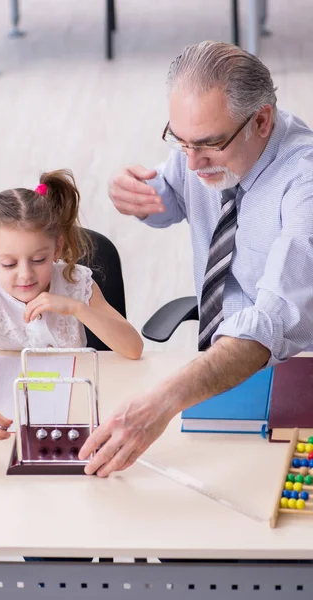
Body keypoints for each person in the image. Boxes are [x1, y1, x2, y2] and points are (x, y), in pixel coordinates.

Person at [79, 40, 313, 477]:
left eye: (207, 145)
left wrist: (163, 400)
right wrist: (134, 195)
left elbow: (272, 322)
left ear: (261, 120)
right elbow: (172, 194)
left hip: (293, 371)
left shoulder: (305, 185)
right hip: (221, 372)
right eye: (178, 140)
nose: (190, 161)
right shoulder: (206, 143)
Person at [0, 169, 143, 439]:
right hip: (12, 416)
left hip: (74, 408)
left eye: (39, 260)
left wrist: (76, 308)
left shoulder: (76, 283)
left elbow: (133, 348)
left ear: (57, 247)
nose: (25, 274)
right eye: (9, 264)